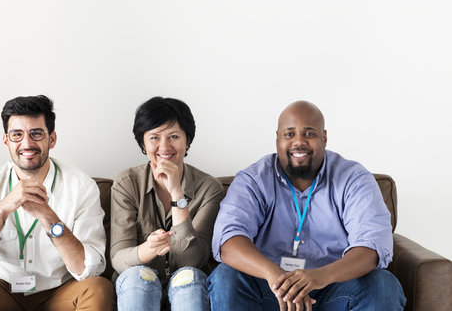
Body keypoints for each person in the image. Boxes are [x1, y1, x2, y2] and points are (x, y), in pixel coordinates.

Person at [206, 100, 406, 311]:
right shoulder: (253, 179)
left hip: (333, 288)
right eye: (289, 134)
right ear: (277, 139)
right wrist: (274, 274)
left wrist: (320, 276)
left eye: (309, 133)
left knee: (383, 284)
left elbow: (372, 246)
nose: (298, 142)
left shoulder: (354, 179)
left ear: (324, 137)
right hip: (269, 290)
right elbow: (228, 240)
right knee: (225, 278)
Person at [0, 95, 113, 310]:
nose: (27, 143)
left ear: (52, 139)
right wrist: (2, 209)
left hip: (59, 292)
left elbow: (88, 269)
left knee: (98, 287)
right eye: (17, 135)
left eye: (36, 133)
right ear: (6, 141)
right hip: (2, 290)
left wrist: (47, 216)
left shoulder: (81, 186)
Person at [110, 96, 224, 310]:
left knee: (188, 277)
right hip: (136, 283)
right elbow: (118, 258)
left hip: (188, 283)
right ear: (142, 143)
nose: (164, 147)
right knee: (136, 277)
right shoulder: (127, 183)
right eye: (154, 137)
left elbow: (193, 261)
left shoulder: (210, 188)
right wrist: (148, 249)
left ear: (187, 140)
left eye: (173, 136)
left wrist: (176, 194)